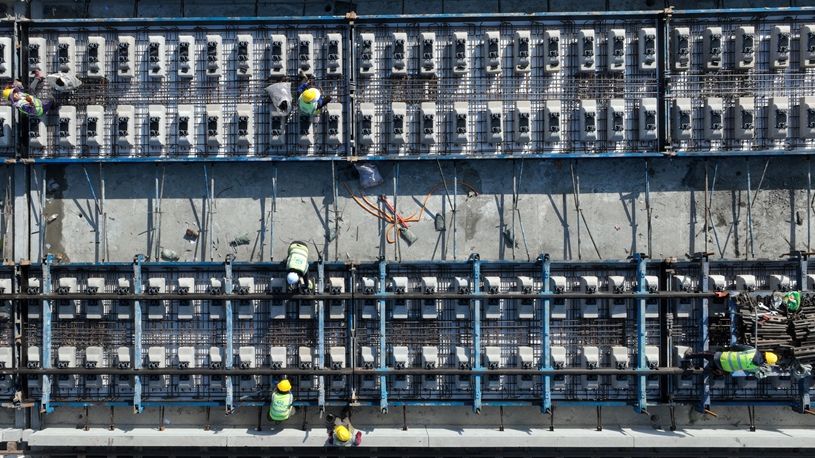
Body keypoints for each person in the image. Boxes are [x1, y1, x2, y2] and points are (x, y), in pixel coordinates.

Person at [684, 344, 778, 375]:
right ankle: (694, 370)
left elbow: (735, 347)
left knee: (706, 354)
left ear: (765, 353)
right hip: (724, 369)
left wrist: (728, 348)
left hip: (721, 358)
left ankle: (688, 355)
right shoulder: (756, 367)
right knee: (721, 372)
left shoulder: (752, 350)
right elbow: (746, 370)